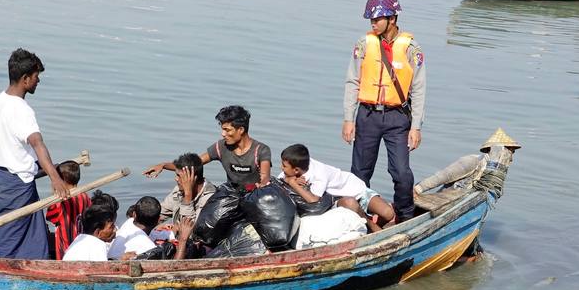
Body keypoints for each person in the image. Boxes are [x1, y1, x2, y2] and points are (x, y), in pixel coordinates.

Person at [342, 0, 425, 224]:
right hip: (367, 115)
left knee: (401, 173)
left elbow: (418, 88)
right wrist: (349, 118)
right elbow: (352, 81)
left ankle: (405, 218)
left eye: (377, 19)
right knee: (359, 172)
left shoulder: (411, 48)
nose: (373, 23)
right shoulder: (364, 44)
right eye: (371, 19)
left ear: (392, 19)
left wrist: (416, 126)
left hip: (397, 118)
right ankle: (358, 218)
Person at [0, 48, 70, 258]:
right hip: (17, 184)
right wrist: (55, 179)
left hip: (2, 177)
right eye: (36, 77)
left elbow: (16, 147)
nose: (38, 81)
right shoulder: (21, 109)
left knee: (25, 231)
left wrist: (50, 168)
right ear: (25, 79)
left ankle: (17, 265)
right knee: (12, 232)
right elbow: (37, 143)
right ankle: (7, 271)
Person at [144, 105, 272, 188]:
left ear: (241, 130)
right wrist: (163, 165)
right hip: (233, 193)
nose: (223, 134)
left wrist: (261, 186)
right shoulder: (220, 147)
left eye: (227, 130)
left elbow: (265, 177)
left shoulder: (260, 150)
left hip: (255, 194)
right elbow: (193, 165)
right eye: (222, 129)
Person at [279, 143, 396, 231]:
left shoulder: (319, 173)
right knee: (351, 204)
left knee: (388, 213)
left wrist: (293, 183)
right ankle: (372, 228)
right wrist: (288, 179)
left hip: (357, 192)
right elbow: (279, 180)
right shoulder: (293, 170)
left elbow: (313, 200)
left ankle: (371, 221)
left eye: (284, 166)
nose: (281, 168)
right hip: (340, 200)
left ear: (296, 170)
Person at [156, 152, 217, 227]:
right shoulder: (179, 190)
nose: (176, 179)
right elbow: (159, 214)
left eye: (179, 176)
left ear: (193, 178)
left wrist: (188, 195)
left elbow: (189, 231)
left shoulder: (210, 200)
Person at [44, 161, 90, 259]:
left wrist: (54, 193)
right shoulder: (85, 196)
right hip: (82, 245)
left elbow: (51, 217)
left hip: (66, 247)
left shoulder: (60, 201)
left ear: (61, 180)